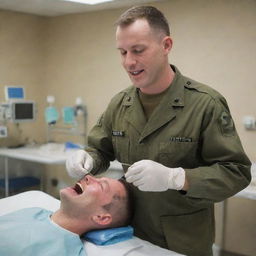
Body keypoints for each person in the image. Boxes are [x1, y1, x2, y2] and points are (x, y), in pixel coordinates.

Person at [65, 6, 251, 256]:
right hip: (129, 235)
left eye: (138, 50)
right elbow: (100, 150)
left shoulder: (205, 104)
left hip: (182, 240)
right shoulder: (120, 104)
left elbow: (236, 172)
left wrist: (177, 178)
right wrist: (87, 160)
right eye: (122, 52)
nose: (129, 62)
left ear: (166, 45)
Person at [0, 175, 132, 256]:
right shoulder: (33, 211)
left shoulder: (65, 252)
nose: (88, 177)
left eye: (101, 185)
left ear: (101, 217)